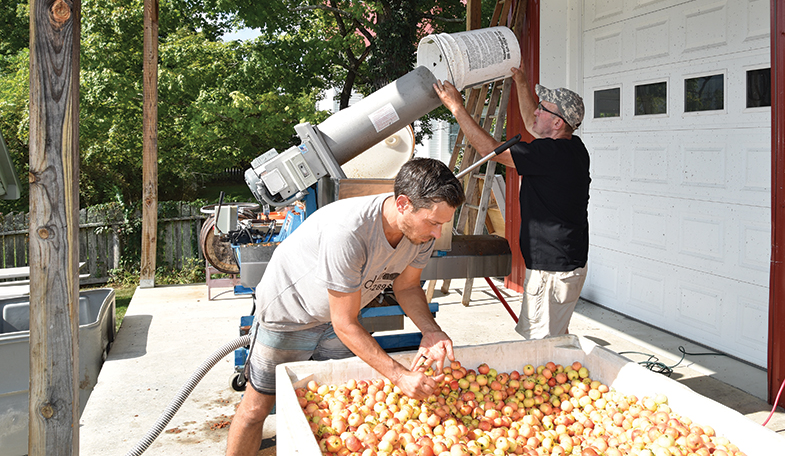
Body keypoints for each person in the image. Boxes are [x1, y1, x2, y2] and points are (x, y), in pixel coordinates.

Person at [225, 158, 466, 456]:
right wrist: (400, 375)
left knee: (338, 403)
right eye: (432, 222)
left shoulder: (421, 234)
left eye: (442, 223)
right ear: (403, 204)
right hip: (289, 314)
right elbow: (345, 324)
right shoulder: (350, 230)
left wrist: (432, 331)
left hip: (339, 317)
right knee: (257, 408)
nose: (436, 233)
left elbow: (406, 286)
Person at [434, 68, 590, 340]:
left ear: (557, 123)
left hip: (551, 272)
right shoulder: (573, 148)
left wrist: (457, 108)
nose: (536, 111)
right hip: (565, 264)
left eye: (543, 108)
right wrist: (521, 80)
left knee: (540, 346)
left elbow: (489, 150)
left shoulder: (549, 154)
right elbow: (532, 124)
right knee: (555, 338)